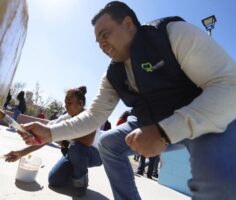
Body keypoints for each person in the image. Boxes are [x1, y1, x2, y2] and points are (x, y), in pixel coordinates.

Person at [18, 1, 236, 200]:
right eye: (98, 41)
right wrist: (50, 132)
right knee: (109, 143)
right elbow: (94, 116)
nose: (102, 45)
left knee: (219, 183)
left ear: (129, 24)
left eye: (105, 34)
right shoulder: (112, 75)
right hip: (152, 123)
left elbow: (229, 86)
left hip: (204, 120)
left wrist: (164, 131)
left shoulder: (172, 34)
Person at [6, 86, 102, 197]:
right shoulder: (65, 117)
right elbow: (43, 138)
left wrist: (61, 139)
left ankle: (81, 183)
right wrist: (20, 153)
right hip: (72, 152)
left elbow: (87, 142)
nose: (66, 107)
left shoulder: (91, 117)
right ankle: (75, 170)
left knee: (76, 148)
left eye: (69, 103)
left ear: (80, 103)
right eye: (65, 103)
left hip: (94, 154)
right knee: (54, 180)